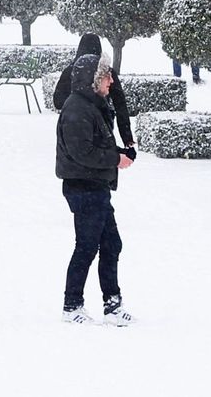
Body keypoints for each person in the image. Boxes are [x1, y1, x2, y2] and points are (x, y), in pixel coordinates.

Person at [56, 54, 136, 326]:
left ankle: (112, 304)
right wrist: (115, 159)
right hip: (83, 187)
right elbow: (82, 152)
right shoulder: (77, 109)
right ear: (94, 81)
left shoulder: (93, 105)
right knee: (87, 246)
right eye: (106, 76)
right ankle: (72, 304)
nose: (112, 81)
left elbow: (96, 145)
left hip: (96, 185)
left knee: (111, 243)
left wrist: (119, 152)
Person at [53, 34, 134, 150]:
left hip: (73, 130)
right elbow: (120, 104)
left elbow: (58, 101)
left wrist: (72, 106)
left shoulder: (70, 71)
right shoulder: (107, 73)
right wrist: (127, 137)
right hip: (102, 128)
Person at [170, 0, 204, 84]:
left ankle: (177, 76)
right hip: (193, 22)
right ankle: (196, 76)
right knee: (194, 49)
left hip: (175, 21)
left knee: (176, 49)